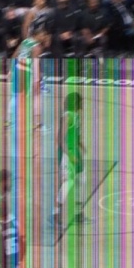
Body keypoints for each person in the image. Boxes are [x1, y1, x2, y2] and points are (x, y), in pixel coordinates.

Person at [51, 92, 91, 230]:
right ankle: (56, 213)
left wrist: (81, 146)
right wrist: (69, 155)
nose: (83, 104)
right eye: (81, 102)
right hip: (67, 154)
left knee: (81, 180)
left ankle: (79, 213)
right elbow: (60, 140)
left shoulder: (77, 116)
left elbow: (76, 136)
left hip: (76, 153)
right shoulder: (67, 116)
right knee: (68, 182)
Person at [6, 26, 47, 131]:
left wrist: (10, 70)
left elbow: (14, 55)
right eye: (42, 35)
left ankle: (8, 122)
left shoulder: (25, 42)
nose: (44, 37)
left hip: (17, 69)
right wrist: (37, 80)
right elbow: (35, 64)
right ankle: (37, 124)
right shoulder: (37, 47)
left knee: (15, 97)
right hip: (26, 72)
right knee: (36, 97)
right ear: (36, 35)